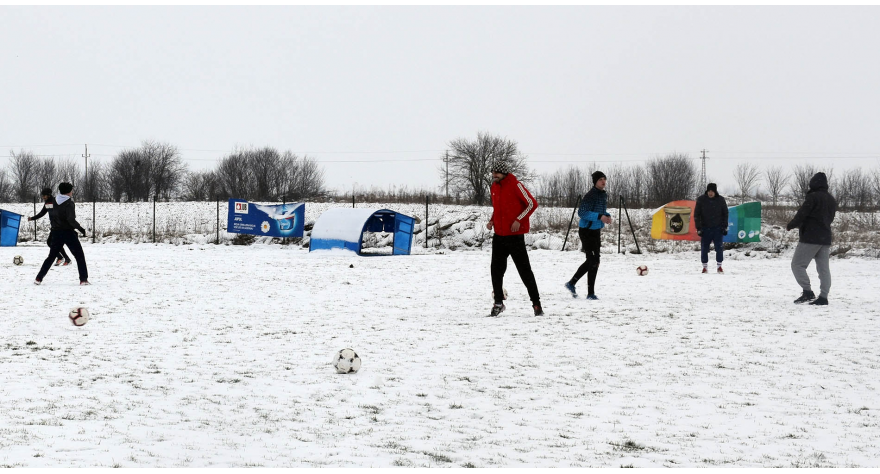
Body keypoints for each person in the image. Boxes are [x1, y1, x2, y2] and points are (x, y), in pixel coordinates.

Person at [486, 160, 542, 317]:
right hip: (499, 236)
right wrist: (492, 220)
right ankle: (498, 302)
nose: (493, 175)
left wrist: (519, 220)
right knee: (496, 271)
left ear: (504, 173)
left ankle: (536, 304)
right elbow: (498, 209)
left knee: (525, 271)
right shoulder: (494, 187)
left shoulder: (516, 185)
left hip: (515, 237)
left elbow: (532, 204)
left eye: (496, 172)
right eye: (492, 172)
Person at [787, 172, 837, 306]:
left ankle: (807, 292)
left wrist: (791, 224)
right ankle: (823, 297)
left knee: (797, 265)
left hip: (810, 237)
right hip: (825, 237)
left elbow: (802, 213)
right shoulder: (831, 199)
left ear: (813, 184)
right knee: (823, 269)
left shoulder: (813, 197)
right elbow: (830, 218)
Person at [564, 171, 612, 300]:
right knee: (592, 260)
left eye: (604, 179)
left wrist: (606, 215)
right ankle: (576, 286)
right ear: (595, 181)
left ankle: (585, 290)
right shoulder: (590, 195)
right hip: (586, 230)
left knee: (596, 261)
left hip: (596, 230)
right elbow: (582, 212)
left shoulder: (603, 195)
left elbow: (600, 211)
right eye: (601, 179)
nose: (603, 182)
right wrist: (599, 216)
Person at [35, 182, 90, 286]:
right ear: (68, 192)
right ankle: (83, 279)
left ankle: (38, 278)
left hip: (56, 232)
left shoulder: (54, 200)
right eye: (71, 190)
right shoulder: (69, 203)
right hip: (68, 232)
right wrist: (80, 229)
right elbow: (71, 220)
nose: (72, 192)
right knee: (79, 256)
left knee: (51, 257)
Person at [28, 187, 72, 266]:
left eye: (44, 196)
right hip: (54, 227)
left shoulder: (55, 201)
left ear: (48, 195)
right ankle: (61, 257)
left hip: (60, 227)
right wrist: (32, 218)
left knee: (54, 243)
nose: (43, 197)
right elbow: (42, 213)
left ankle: (63, 258)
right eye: (42, 196)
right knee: (50, 243)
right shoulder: (47, 203)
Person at [694, 183, 729, 274]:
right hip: (705, 228)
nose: (710, 193)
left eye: (712, 191)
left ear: (715, 191)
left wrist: (724, 226)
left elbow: (725, 214)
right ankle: (704, 267)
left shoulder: (720, 200)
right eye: (709, 191)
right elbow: (696, 215)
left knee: (719, 248)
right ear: (707, 191)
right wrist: (699, 228)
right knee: (704, 248)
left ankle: (719, 266)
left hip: (717, 228)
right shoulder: (701, 200)